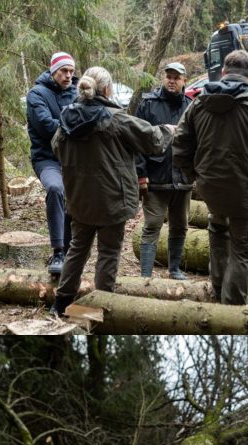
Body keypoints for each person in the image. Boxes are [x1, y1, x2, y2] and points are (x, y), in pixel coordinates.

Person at [173, 49, 248, 304]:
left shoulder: (198, 103)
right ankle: (233, 306)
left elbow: (179, 144)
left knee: (218, 234)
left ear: (223, 73)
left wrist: (195, 175)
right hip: (246, 193)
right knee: (243, 249)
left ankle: (218, 290)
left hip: (211, 189)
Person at [50, 67, 173, 316]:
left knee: (77, 249)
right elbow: (154, 141)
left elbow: (56, 148)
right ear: (107, 89)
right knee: (108, 252)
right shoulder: (116, 119)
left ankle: (61, 303)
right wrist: (169, 129)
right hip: (112, 200)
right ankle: (101, 305)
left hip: (80, 199)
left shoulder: (67, 118)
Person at [135, 62, 193, 280]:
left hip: (183, 178)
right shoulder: (148, 105)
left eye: (176, 77)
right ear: (163, 78)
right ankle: (145, 275)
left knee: (180, 226)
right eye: (168, 76)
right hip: (155, 178)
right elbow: (138, 142)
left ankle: (174, 269)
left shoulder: (191, 105)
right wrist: (141, 175)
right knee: (151, 226)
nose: (172, 80)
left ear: (184, 80)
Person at [26, 51, 78, 276]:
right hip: (46, 159)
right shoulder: (36, 93)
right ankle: (58, 252)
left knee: (74, 199)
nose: (68, 76)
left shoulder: (77, 93)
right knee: (56, 189)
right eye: (63, 71)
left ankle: (69, 250)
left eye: (71, 71)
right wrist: (75, 125)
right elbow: (47, 126)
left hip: (73, 159)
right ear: (53, 70)